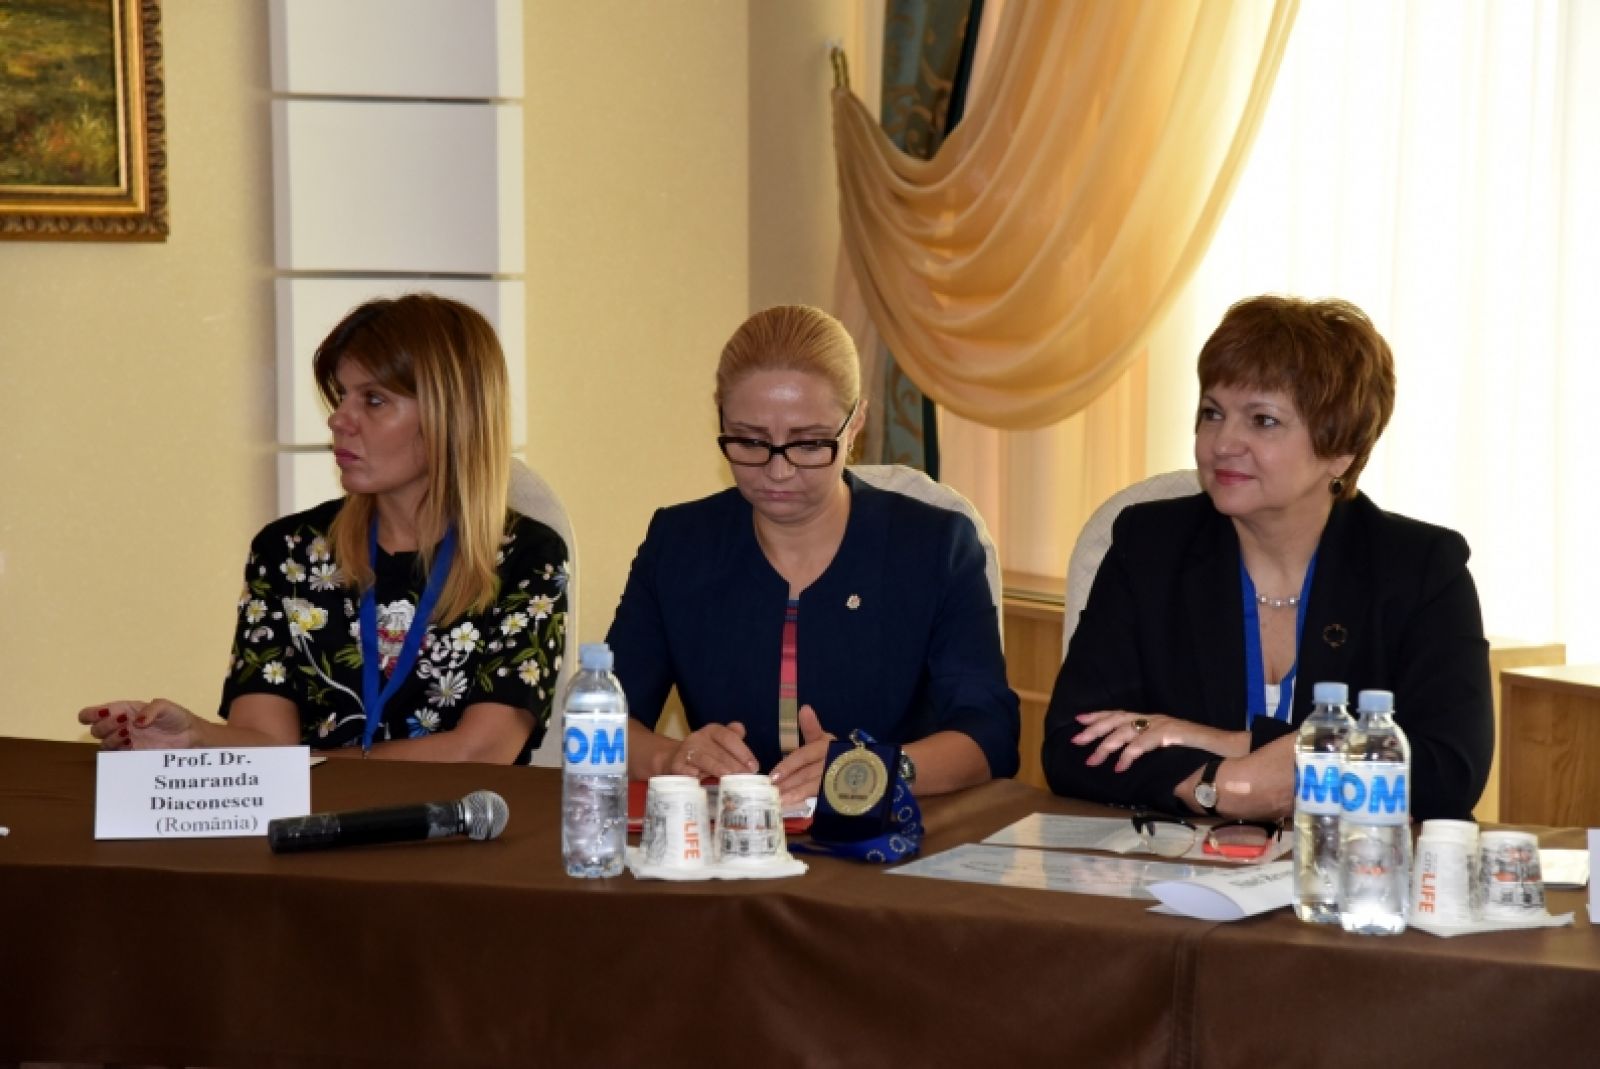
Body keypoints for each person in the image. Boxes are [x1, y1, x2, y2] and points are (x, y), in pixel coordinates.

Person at [1042, 296, 1493, 823]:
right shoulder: (1150, 545)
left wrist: (1231, 744)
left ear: (1340, 450)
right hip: (1177, 864)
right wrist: (1211, 787)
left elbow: (1448, 772)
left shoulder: (1420, 569)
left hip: (1355, 864)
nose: (1223, 442)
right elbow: (1073, 745)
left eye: (1263, 420)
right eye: (1212, 413)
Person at [78, 294, 569, 763]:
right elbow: (264, 739)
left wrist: (303, 766)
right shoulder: (288, 551)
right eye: (341, 395)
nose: (338, 419)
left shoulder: (528, 558)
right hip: (314, 820)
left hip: (455, 820)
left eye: (373, 400)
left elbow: (481, 753)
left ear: (451, 415)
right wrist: (195, 739)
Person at [606, 304, 1020, 805]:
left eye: (808, 444)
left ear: (855, 422)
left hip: (890, 837)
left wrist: (875, 769)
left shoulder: (934, 546)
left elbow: (989, 734)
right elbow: (602, 717)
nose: (778, 471)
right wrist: (670, 758)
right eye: (750, 441)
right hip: (728, 835)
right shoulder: (679, 544)